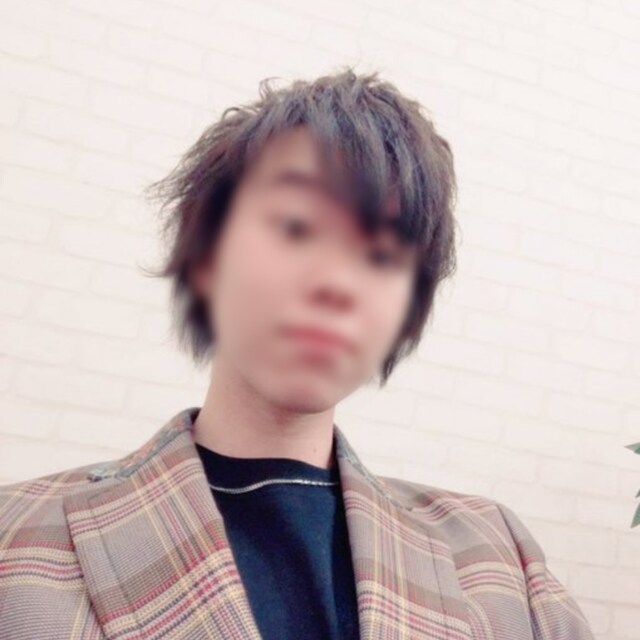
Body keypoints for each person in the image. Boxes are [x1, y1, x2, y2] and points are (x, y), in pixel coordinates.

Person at [0, 67, 595, 640]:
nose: (338, 282)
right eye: (296, 228)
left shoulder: (498, 561)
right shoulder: (18, 541)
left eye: (383, 256)